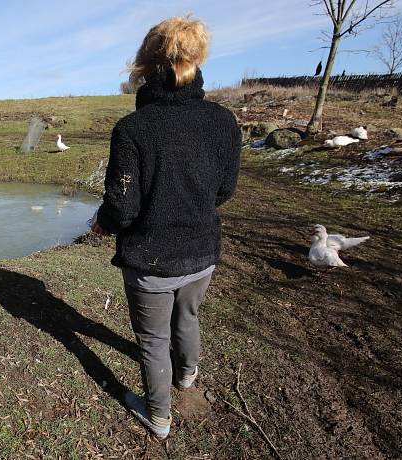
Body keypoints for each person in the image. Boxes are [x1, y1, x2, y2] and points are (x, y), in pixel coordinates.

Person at [91, 15, 241, 439]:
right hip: (202, 254)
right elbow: (225, 189)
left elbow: (121, 208)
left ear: (144, 67)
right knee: (188, 317)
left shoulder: (132, 130)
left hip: (150, 261)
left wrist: (102, 224)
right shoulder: (223, 121)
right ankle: (187, 377)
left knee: (153, 340)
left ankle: (158, 417)